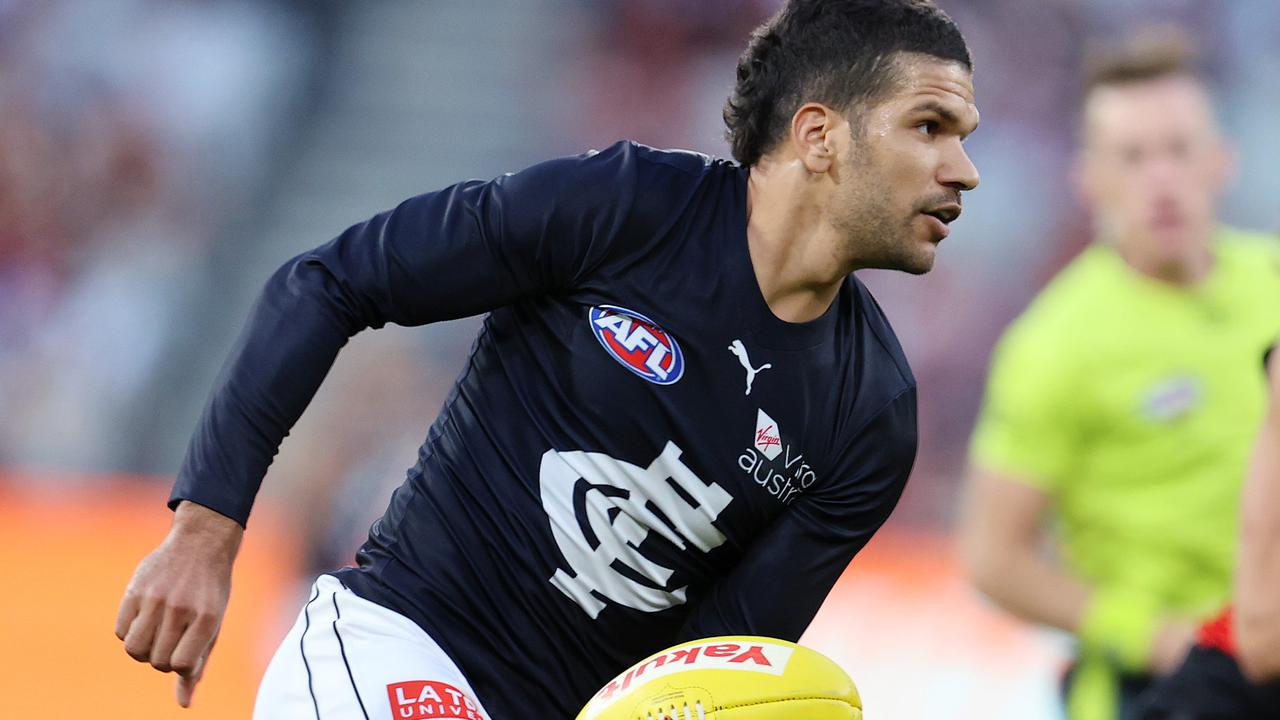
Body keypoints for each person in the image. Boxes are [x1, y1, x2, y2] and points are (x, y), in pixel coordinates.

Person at [113, 1, 981, 718]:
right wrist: (204, 533)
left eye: (965, 135)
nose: (964, 170)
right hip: (396, 646)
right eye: (930, 126)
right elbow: (330, 282)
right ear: (820, 136)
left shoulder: (871, 416)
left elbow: (715, 664)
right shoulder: (623, 209)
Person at [959, 34, 1280, 720]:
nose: (1160, 178)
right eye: (1132, 157)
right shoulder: (1054, 344)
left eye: (1179, 149)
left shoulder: (1273, 280)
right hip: (1159, 690)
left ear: (1221, 160)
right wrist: (1152, 633)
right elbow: (993, 557)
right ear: (1090, 179)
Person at [1135, 347, 1280, 718]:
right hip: (1229, 672)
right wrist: (1149, 635)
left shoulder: (1252, 293)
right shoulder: (1062, 344)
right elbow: (1265, 640)